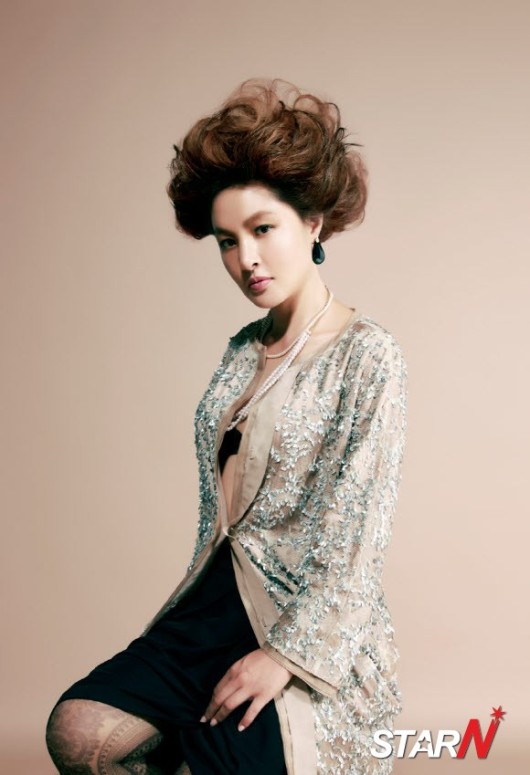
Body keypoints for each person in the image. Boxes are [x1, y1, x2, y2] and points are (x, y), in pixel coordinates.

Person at [46, 78, 408, 775]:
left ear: (313, 222)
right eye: (226, 241)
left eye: (263, 230)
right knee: (80, 731)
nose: (246, 259)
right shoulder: (243, 349)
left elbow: (357, 542)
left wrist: (282, 656)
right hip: (214, 606)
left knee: (219, 759)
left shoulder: (367, 355)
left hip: (303, 622)